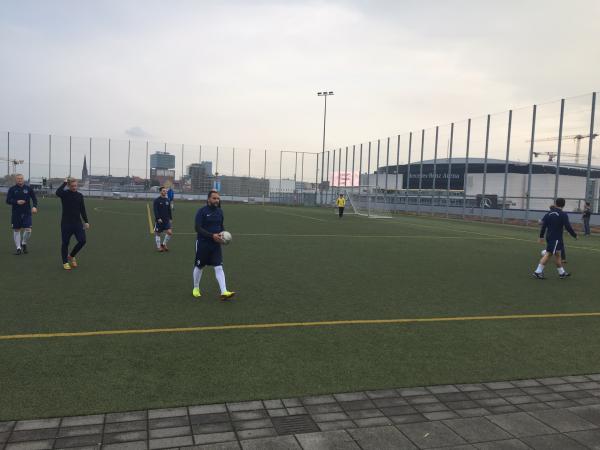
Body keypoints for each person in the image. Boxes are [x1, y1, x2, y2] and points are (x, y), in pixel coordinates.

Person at [192, 190, 235, 300]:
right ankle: (196, 288)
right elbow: (197, 228)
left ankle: (224, 291)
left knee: (219, 267)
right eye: (214, 198)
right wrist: (212, 236)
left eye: (218, 198)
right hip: (203, 243)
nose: (217, 200)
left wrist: (222, 236)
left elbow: (221, 226)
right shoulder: (201, 211)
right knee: (200, 266)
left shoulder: (220, 212)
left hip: (215, 245)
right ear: (208, 199)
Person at [533, 198, 577, 280]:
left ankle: (562, 273)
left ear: (556, 204)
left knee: (558, 255)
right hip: (556, 238)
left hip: (550, 237)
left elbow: (543, 226)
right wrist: (574, 235)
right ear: (563, 205)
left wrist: (541, 236)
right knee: (549, 254)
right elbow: (568, 227)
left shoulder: (548, 214)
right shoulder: (563, 214)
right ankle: (538, 272)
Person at [56, 178, 89, 270]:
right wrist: (64, 183)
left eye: (75, 185)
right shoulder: (64, 194)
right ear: (69, 186)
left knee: (82, 240)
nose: (74, 187)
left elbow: (82, 209)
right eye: (72, 186)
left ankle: (71, 255)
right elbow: (57, 192)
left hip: (77, 223)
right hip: (66, 223)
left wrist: (86, 221)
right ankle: (65, 262)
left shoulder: (79, 196)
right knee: (65, 243)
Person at [6, 174, 38, 255]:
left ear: (23, 179)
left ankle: (23, 243)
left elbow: (34, 198)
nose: (20, 180)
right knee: (17, 230)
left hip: (27, 212)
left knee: (28, 230)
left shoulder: (28, 188)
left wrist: (34, 207)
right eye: (18, 179)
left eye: (21, 178)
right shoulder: (12, 189)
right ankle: (18, 248)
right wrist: (16, 202)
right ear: (16, 180)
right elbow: (8, 200)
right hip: (16, 213)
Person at [153, 186, 173, 252]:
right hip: (159, 220)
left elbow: (169, 210)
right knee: (158, 233)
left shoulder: (167, 200)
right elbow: (155, 211)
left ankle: (164, 244)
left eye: (165, 191)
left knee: (170, 232)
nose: (165, 192)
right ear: (160, 191)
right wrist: (158, 218)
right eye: (164, 191)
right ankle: (159, 247)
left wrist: (170, 218)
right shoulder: (156, 200)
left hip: (166, 220)